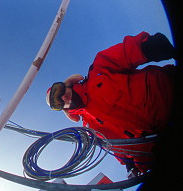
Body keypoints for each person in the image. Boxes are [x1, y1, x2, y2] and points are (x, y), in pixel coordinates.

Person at [46, 32, 176, 176]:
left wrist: (149, 47)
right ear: (63, 109)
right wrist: (132, 164)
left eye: (59, 90)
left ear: (67, 84)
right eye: (57, 102)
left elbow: (126, 53)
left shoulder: (98, 71)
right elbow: (119, 148)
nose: (62, 97)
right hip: (162, 137)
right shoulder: (93, 130)